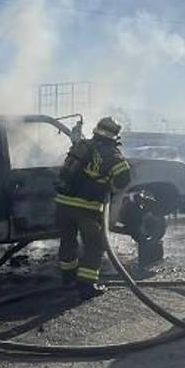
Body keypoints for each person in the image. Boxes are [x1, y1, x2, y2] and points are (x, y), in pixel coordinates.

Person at [54, 116, 132, 299]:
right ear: (114, 137)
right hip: (87, 209)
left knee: (68, 242)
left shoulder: (80, 146)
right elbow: (123, 179)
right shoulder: (113, 155)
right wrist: (110, 189)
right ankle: (86, 286)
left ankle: (68, 279)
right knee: (94, 246)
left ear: (96, 131)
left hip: (63, 205)